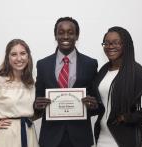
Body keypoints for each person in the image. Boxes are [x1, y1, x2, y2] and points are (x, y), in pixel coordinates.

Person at [93, 26, 142, 147]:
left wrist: (132, 117)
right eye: (106, 43)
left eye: (116, 43)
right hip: (102, 136)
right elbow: (102, 103)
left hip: (124, 138)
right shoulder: (104, 70)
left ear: (126, 45)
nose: (110, 46)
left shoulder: (134, 70)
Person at [34, 17, 98, 147]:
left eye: (70, 32)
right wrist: (37, 104)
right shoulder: (43, 64)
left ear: (77, 36)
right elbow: (37, 97)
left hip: (80, 137)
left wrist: (93, 105)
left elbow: (97, 100)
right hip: (50, 137)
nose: (66, 36)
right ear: (55, 35)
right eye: (61, 32)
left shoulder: (90, 64)